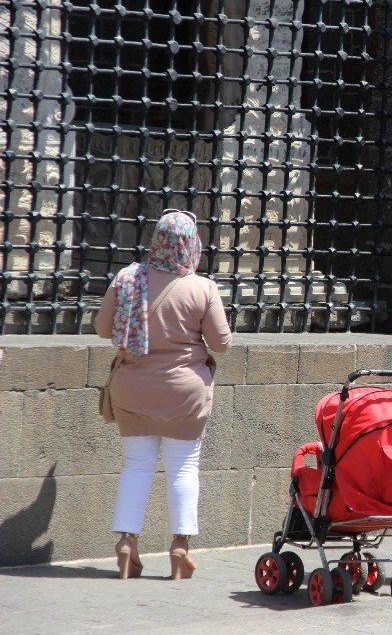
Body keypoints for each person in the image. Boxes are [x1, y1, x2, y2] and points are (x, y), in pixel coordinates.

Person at [95, 209, 232, 580]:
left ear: (156, 240)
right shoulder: (202, 287)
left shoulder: (127, 278)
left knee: (136, 465)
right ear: (192, 244)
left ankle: (127, 542)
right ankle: (180, 547)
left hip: (132, 391)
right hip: (183, 395)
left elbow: (103, 328)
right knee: (183, 467)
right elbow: (221, 343)